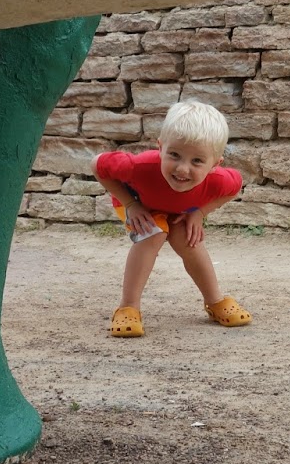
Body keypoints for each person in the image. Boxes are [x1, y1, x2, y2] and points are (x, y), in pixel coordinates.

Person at [93, 100, 252, 338]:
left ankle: (215, 301)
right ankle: (128, 307)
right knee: (153, 234)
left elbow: (235, 188)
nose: (182, 169)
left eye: (197, 161)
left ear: (214, 165)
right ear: (160, 147)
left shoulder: (220, 180)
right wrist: (131, 205)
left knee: (188, 239)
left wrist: (199, 213)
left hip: (180, 210)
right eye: (174, 155)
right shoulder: (137, 166)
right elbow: (98, 165)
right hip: (138, 204)